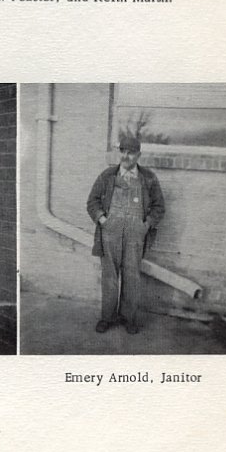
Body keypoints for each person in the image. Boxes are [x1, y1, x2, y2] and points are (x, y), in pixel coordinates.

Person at [86, 134, 165, 336]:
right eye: (123, 152)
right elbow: (92, 202)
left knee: (132, 277)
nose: (126, 156)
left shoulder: (148, 178)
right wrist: (104, 220)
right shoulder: (107, 176)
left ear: (139, 155)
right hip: (110, 233)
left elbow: (159, 207)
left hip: (135, 235)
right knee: (109, 277)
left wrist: (146, 225)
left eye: (130, 153)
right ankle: (107, 318)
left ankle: (128, 318)